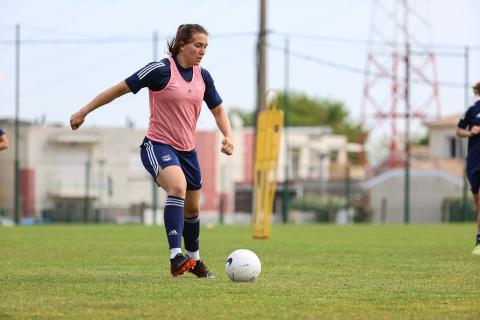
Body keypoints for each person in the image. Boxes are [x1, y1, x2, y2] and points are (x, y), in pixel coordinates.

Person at [70, 24, 233, 277]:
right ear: (181, 44)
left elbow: (219, 110)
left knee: (192, 210)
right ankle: (175, 256)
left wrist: (228, 136)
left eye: (205, 47)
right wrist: (83, 112)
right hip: (157, 145)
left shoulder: (204, 76)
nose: (202, 51)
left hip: (187, 152)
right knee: (177, 187)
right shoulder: (160, 70)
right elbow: (119, 88)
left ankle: (194, 260)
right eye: (197, 45)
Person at [456, 81, 480, 255]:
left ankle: (479, 242)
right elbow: (458, 131)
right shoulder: (472, 110)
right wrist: (470, 132)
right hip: (473, 161)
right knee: (478, 202)